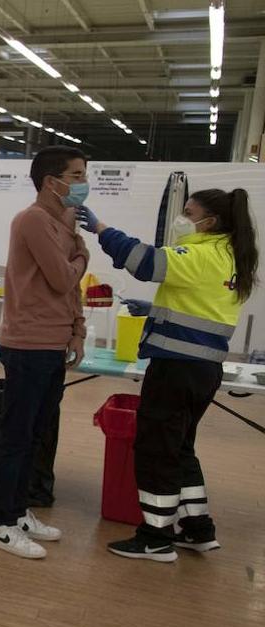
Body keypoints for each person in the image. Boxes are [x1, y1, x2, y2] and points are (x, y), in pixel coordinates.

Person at [78, 190, 258, 562]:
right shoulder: (229, 255)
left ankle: (156, 536)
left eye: (189, 213)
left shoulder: (201, 253)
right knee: (179, 448)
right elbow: (195, 302)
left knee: (156, 449)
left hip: (177, 369)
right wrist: (156, 308)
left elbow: (145, 263)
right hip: (203, 370)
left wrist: (100, 228)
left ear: (211, 221)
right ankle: (197, 528)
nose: (183, 218)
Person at [0, 146, 89, 560]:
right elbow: (64, 277)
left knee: (36, 436)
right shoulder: (32, 220)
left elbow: (72, 288)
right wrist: (82, 255)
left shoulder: (63, 224)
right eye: (76, 176)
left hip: (54, 343)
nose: (82, 183)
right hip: (28, 344)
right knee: (16, 436)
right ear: (51, 181)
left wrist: (77, 333)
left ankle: (17, 511)